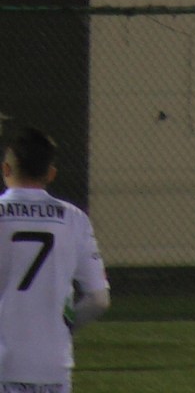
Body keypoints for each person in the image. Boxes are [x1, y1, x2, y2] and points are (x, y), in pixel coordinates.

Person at [0, 127, 110, 393]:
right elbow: (99, 300)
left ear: (6, 169)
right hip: (53, 366)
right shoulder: (74, 219)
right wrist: (63, 328)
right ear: (50, 174)